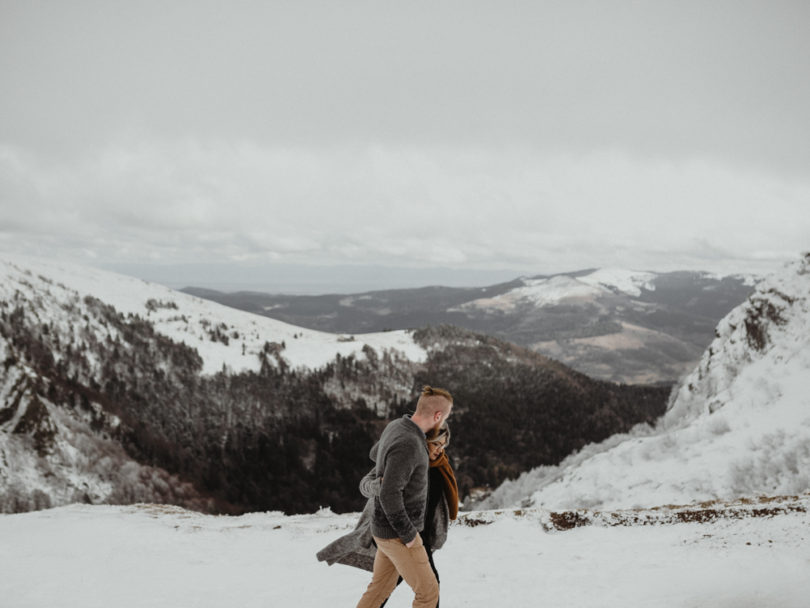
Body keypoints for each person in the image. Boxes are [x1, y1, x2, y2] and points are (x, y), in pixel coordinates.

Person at [317, 385, 453, 608]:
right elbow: (390, 494)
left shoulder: (396, 426)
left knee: (379, 589)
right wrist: (410, 537)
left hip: (384, 532)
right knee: (428, 593)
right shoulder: (410, 444)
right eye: (445, 416)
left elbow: (384, 481)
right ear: (438, 415)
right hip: (398, 536)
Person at [377, 422, 458, 608]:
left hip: (420, 536)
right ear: (424, 440)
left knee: (383, 587)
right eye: (436, 444)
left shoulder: (438, 468)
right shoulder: (408, 463)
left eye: (443, 445)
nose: (440, 450)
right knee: (429, 589)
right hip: (405, 536)